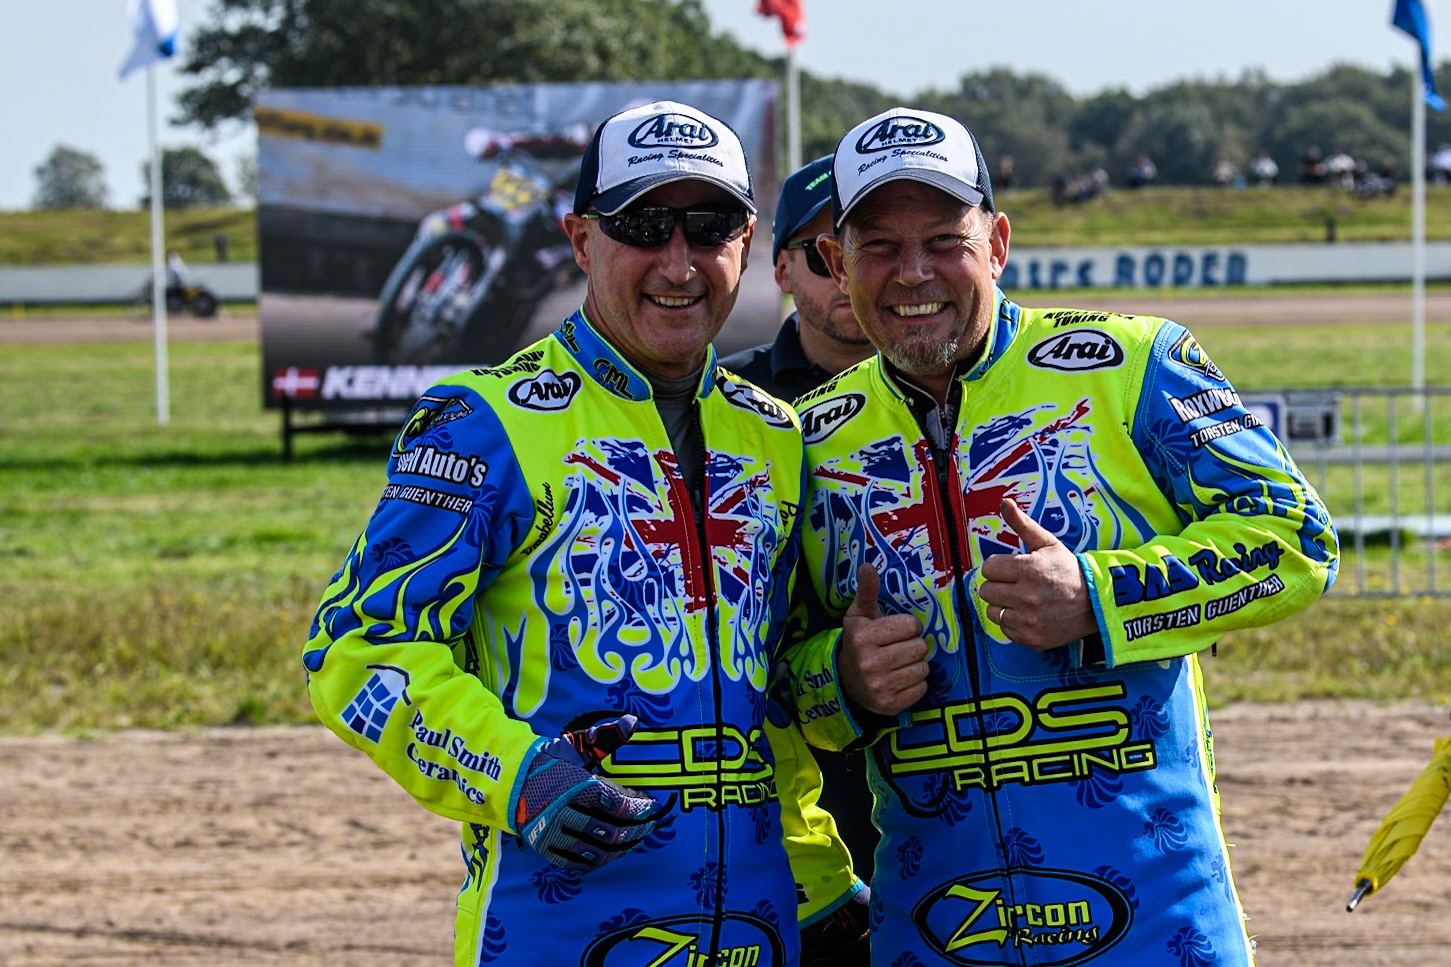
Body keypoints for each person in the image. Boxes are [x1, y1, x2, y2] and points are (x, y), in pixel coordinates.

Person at [304, 99, 861, 967]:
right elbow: (356, 651)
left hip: (755, 926)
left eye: (707, 225)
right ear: (580, 240)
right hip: (556, 928)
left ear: (746, 244)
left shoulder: (777, 435)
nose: (677, 262)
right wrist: (516, 773)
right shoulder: (480, 422)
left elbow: (769, 702)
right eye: (643, 223)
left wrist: (821, 882)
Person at [780, 106, 1340, 964]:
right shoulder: (807, 439)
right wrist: (841, 678)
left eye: (943, 238)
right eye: (878, 246)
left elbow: (1297, 538)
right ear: (835, 262)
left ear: (997, 243)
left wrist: (1104, 595)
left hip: (1155, 920)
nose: (912, 272)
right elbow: (768, 684)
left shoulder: (1134, 364)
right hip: (934, 927)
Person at [720, 155, 881, 882]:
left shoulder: (963, 394)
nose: (844, 273)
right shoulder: (721, 404)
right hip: (781, 771)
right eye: (821, 255)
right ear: (779, 270)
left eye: (864, 246)